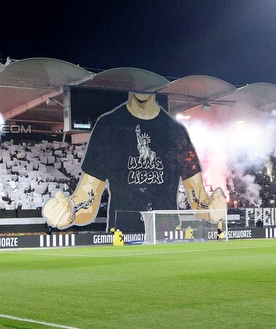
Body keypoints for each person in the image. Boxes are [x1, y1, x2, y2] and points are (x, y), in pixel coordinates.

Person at [43, 93, 225, 237]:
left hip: (167, 238)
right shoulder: (108, 126)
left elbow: (198, 202)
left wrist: (212, 211)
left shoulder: (176, 132)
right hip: (122, 237)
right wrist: (70, 211)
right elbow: (88, 202)